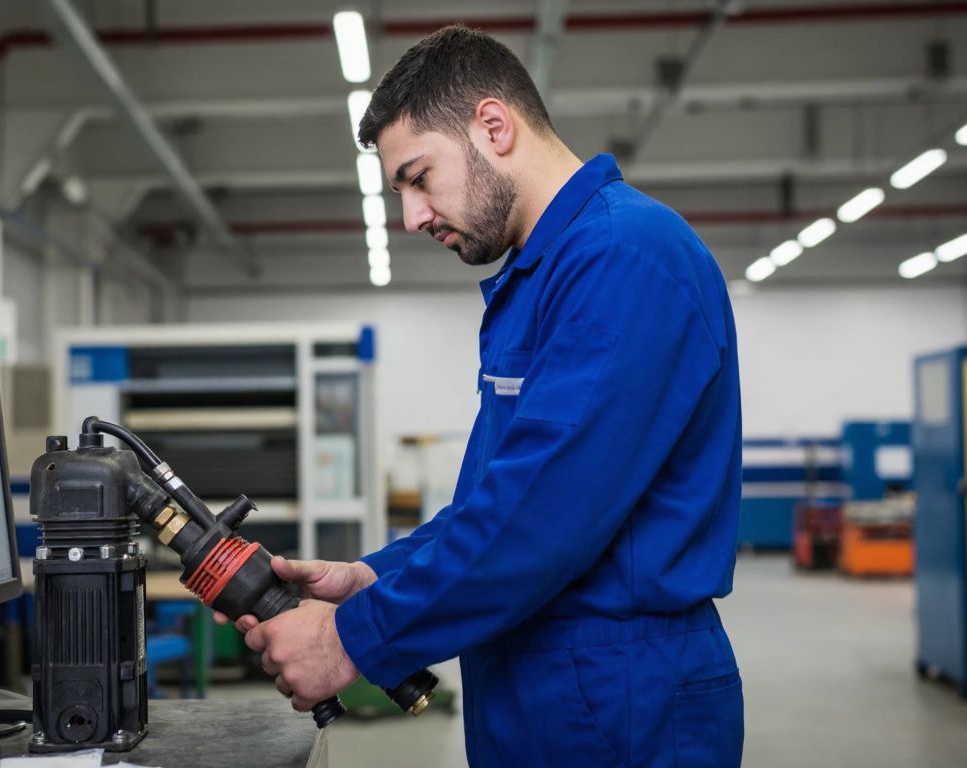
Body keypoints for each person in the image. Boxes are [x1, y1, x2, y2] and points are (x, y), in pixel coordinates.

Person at [225, 25, 744, 767]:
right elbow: (498, 501)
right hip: (543, 675)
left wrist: (351, 640)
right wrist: (377, 576)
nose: (412, 216)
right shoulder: (545, 275)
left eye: (418, 176)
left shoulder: (624, 259)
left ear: (493, 127)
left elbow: (542, 519)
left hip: (620, 693)